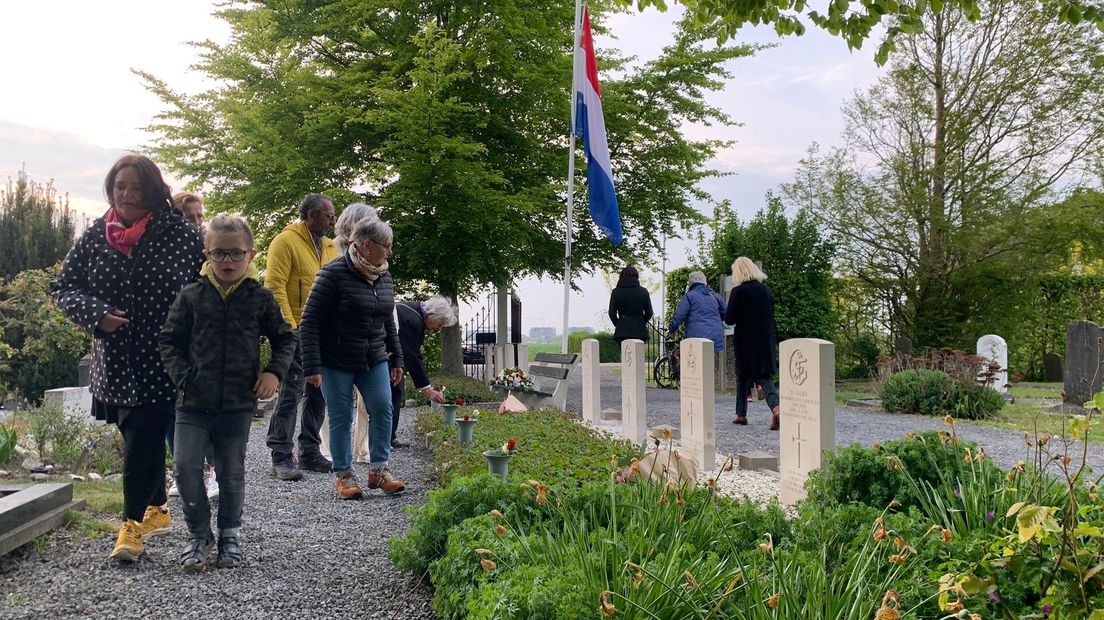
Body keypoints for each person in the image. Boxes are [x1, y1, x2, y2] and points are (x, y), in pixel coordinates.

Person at [51, 154, 203, 562]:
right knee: (135, 434)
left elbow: (207, 288)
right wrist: (95, 314)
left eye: (136, 187)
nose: (127, 194)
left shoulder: (181, 234)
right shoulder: (96, 234)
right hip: (114, 362)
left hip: (164, 359)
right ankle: (156, 508)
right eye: (120, 186)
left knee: (144, 438)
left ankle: (130, 527)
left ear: (153, 191)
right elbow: (64, 287)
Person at [159, 214, 296, 572]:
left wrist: (273, 372)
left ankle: (230, 535)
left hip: (237, 404)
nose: (228, 262)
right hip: (192, 404)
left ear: (251, 255)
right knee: (186, 467)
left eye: (236, 254)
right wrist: (183, 377)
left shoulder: (260, 298)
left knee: (231, 471)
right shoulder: (190, 296)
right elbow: (169, 341)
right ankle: (199, 534)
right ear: (207, 254)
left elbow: (285, 338)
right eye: (219, 254)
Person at [299, 216, 406, 499]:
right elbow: (309, 321)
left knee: (383, 407)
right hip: (336, 359)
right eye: (387, 246)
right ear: (367, 245)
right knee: (340, 416)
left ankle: (379, 469)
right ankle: (344, 474)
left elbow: (388, 322)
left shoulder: (384, 274)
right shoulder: (332, 274)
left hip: (374, 356)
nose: (390, 252)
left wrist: (397, 359)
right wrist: (311, 365)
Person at [264, 193, 337, 480]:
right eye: (328, 215)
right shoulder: (284, 242)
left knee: (319, 392)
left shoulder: (332, 246)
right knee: (292, 390)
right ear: (310, 216)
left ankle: (309, 451)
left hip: (324, 332)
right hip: (295, 329)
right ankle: (281, 454)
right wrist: (289, 328)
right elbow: (274, 285)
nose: (333, 220)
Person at [167, 190, 218, 500]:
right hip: (175, 335)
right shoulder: (167, 253)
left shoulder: (211, 248)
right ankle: (182, 470)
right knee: (172, 407)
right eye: (191, 217)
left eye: (201, 216)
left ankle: (216, 471)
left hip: (203, 335)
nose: (198, 223)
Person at [389, 296, 456, 447]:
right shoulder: (414, 321)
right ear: (432, 315)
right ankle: (386, 439)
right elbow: (412, 356)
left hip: (392, 360)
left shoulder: (414, 312)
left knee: (397, 392)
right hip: (385, 360)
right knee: (392, 394)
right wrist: (428, 390)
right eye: (439, 324)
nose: (437, 330)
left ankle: (390, 437)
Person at [723, 257, 781, 430]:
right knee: (764, 376)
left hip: (745, 339)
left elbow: (730, 318)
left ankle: (741, 415)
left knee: (742, 376)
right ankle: (776, 409)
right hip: (765, 338)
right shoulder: (765, 290)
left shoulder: (738, 292)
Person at [667, 271, 727, 352]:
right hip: (715, 339)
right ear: (704, 282)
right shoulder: (715, 296)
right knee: (712, 363)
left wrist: (671, 329)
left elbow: (679, 316)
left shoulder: (689, 296)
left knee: (695, 363)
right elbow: (726, 315)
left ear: (691, 283)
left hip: (695, 339)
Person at [608, 266, 653, 346]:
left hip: (622, 330)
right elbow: (649, 312)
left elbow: (612, 313)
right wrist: (641, 322)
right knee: (639, 356)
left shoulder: (616, 292)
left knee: (625, 356)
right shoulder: (643, 291)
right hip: (640, 330)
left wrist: (619, 324)